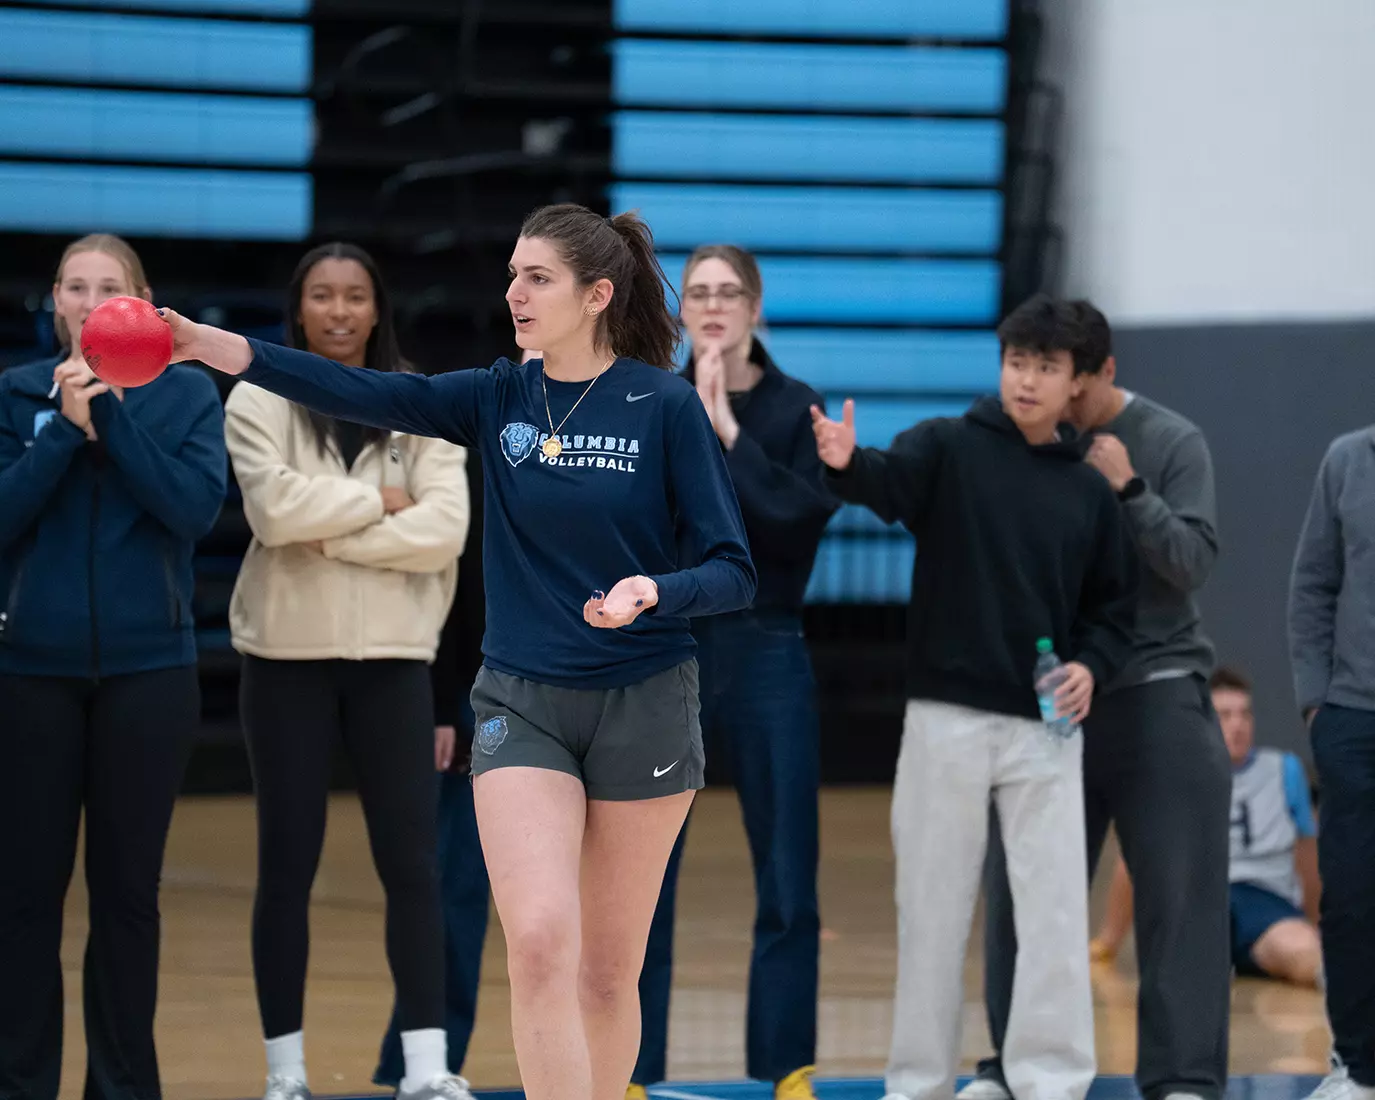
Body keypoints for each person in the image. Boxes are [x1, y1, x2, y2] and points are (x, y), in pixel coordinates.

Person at [157, 203, 757, 1100]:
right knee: (541, 941)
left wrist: (654, 592)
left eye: (536, 278)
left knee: (604, 971)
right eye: (512, 273)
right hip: (523, 704)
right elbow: (358, 390)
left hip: (646, 700)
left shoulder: (662, 406)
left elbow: (732, 569)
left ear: (596, 296)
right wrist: (218, 347)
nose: (512, 292)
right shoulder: (495, 395)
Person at [810, 294, 1139, 1100]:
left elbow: (1112, 610)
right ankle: (917, 1082)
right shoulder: (951, 446)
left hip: (1046, 729)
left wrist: (1090, 665)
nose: (1026, 379)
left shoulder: (1089, 494)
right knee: (930, 909)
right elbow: (884, 484)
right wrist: (847, 460)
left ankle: (1050, 1080)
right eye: (1016, 361)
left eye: (1045, 367)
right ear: (1001, 366)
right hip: (944, 720)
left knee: (1056, 914)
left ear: (1075, 384)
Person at [963, 300, 1233, 1100]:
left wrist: (1128, 489)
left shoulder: (1171, 441)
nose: (1047, 394)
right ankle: (1012, 1071)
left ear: (1098, 374)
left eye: (1063, 379)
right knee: (1021, 894)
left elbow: (1189, 563)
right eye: (1028, 369)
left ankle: (1182, 1081)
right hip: (1046, 700)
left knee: (1178, 899)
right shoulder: (1008, 437)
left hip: (1154, 691)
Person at [222, 242, 472, 1100]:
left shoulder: (424, 401)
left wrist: (326, 529)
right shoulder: (257, 393)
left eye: (354, 296)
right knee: (285, 865)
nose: (337, 311)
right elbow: (271, 509)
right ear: (298, 310)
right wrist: (380, 504)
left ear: (376, 309)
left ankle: (428, 1072)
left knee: (412, 866)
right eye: (321, 296)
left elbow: (444, 531)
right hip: (284, 660)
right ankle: (285, 1074)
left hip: (394, 664)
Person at [0, 234, 227, 1100]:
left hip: (148, 676)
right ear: (54, 299)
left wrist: (115, 420)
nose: (91, 301)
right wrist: (63, 431)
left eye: (109, 287)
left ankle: (123, 1088)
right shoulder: (16, 393)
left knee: (128, 901)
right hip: (30, 675)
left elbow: (190, 509)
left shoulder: (186, 397)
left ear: (140, 298)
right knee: (24, 900)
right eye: (75, 285)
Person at [630, 246, 838, 1100]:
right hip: (673, 646)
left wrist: (727, 432)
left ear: (756, 308)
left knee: (787, 871)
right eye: (700, 293)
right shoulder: (656, 398)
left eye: (729, 293)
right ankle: (631, 1070)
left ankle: (784, 1069)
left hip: (768, 647)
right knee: (644, 876)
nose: (712, 306)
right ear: (684, 312)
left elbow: (796, 525)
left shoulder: (794, 408)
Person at [1086, 667, 1322, 987]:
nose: (1237, 725)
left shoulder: (1284, 770)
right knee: (1179, 968)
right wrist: (1109, 940)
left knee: (1305, 953)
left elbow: (1308, 855)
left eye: (1245, 714)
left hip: (1265, 904)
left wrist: (1316, 924)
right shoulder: (1174, 774)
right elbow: (1135, 859)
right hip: (1199, 901)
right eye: (1225, 715)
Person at [374, 446, 491, 1089]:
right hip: (488, 696)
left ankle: (610, 1069)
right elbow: (456, 579)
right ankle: (425, 1063)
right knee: (457, 885)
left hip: (595, 686)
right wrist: (447, 702)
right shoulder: (487, 438)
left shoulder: (617, 437)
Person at [1289, 421, 1375, 1100]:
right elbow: (1312, 585)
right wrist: (1316, 704)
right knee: (1348, 900)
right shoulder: (1345, 458)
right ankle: (1356, 1065)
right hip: (1352, 720)